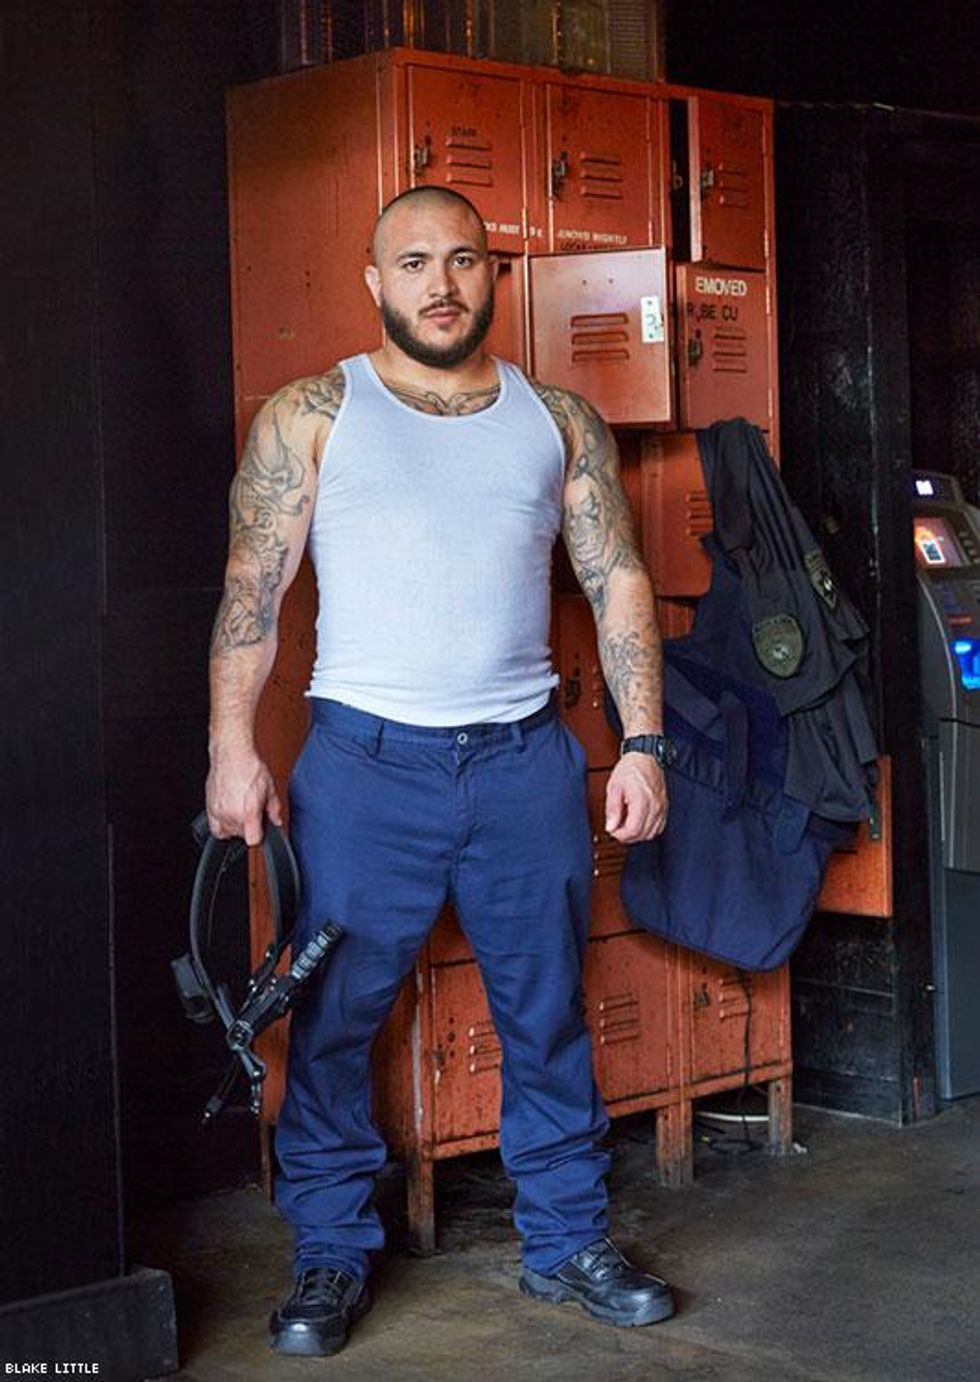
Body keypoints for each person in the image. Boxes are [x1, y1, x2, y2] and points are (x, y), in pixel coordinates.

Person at [205, 185, 673, 1358]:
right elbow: (249, 599)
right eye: (412, 261)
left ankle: (565, 1239)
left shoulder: (554, 417)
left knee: (546, 1010)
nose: (440, 282)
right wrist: (230, 747)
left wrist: (644, 740)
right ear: (373, 281)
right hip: (364, 767)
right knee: (329, 1022)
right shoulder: (312, 414)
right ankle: (328, 1249)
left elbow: (616, 579)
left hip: (522, 762)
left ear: (492, 275)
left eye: (462, 259)